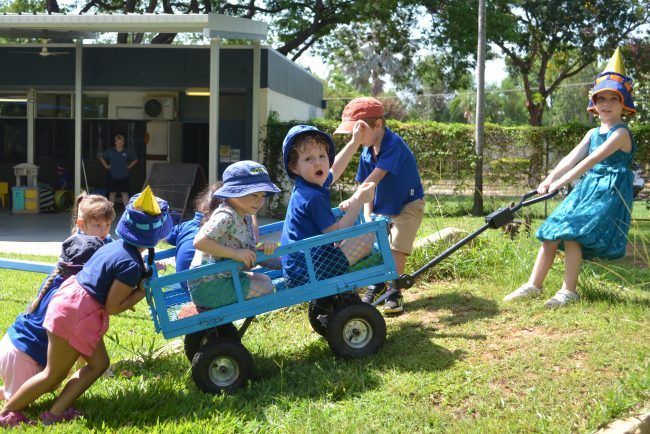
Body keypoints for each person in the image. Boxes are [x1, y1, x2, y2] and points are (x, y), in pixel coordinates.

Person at [0, 186, 172, 427]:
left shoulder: (116, 246)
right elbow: (113, 306)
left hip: (72, 305)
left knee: (98, 364)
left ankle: (56, 412)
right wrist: (141, 291)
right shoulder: (130, 263)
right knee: (53, 374)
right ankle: (8, 413)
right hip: (76, 314)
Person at [504, 47, 637, 308]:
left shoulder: (621, 134)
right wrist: (549, 178)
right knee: (552, 231)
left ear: (624, 104)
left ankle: (568, 291)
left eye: (613, 98)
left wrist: (562, 183)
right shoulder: (592, 133)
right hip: (588, 187)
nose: (606, 104)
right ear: (594, 104)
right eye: (601, 99)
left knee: (573, 232)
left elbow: (592, 160)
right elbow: (571, 158)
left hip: (609, 190)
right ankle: (533, 285)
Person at [334, 97, 425, 314]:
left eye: (360, 130)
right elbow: (366, 188)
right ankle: (379, 282)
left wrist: (353, 199)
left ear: (378, 125)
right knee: (377, 244)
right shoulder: (366, 151)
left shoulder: (394, 145)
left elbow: (374, 179)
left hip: (408, 204)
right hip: (382, 205)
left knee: (396, 246)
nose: (357, 137)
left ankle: (394, 291)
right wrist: (368, 215)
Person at [0, 235, 106, 411]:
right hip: (23, 359)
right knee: (16, 408)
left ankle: (10, 389)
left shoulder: (54, 280)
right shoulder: (71, 299)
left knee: (51, 382)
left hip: (11, 345)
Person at [280, 125, 376, 289]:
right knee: (367, 237)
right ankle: (366, 285)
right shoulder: (313, 197)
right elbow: (336, 235)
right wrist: (358, 200)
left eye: (322, 156)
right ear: (294, 167)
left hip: (300, 269)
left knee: (354, 238)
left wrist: (355, 141)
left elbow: (335, 169)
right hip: (310, 272)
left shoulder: (306, 186)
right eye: (308, 159)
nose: (318, 163)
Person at [188, 161, 280, 311]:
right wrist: (235, 253)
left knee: (265, 281)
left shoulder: (245, 217)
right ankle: (228, 317)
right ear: (233, 193)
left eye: (263, 195)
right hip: (208, 285)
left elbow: (247, 258)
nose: (260, 200)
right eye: (254, 194)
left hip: (222, 279)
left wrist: (261, 250)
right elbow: (199, 242)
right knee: (267, 285)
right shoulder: (226, 215)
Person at [165, 183, 221, 293]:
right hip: (204, 286)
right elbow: (253, 241)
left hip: (184, 283)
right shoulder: (219, 230)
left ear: (200, 205)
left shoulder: (186, 226)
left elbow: (166, 237)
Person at [99, 134, 138, 208]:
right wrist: (106, 166)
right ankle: (110, 211)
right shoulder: (110, 151)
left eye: (121, 142)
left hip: (124, 176)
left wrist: (129, 166)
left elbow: (135, 159)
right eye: (118, 142)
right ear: (115, 142)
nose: (119, 144)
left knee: (125, 194)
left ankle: (127, 211)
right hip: (112, 175)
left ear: (123, 143)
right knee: (112, 193)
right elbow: (102, 157)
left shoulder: (127, 151)